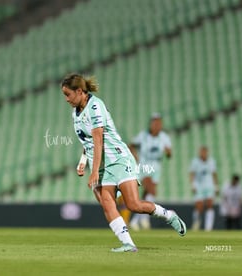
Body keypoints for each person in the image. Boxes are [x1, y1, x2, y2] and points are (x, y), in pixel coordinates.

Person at [62, 73, 186, 252]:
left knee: (133, 205)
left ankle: (168, 215)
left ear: (79, 91)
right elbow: (87, 142)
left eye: (68, 94)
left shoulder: (95, 106)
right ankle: (128, 243)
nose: (66, 99)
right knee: (106, 203)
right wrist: (83, 161)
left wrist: (94, 171)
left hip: (119, 159)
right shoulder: (76, 114)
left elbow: (99, 140)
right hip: (103, 164)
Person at [128, 113, 172, 230]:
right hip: (144, 166)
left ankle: (135, 221)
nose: (157, 125)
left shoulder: (164, 137)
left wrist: (168, 152)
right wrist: (135, 156)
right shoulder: (143, 135)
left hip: (157, 167)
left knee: (147, 194)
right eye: (155, 123)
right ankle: (145, 220)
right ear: (151, 124)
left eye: (159, 123)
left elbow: (169, 154)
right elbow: (131, 145)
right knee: (151, 190)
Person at [189, 146, 218, 231]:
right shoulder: (195, 162)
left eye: (204, 152)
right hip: (199, 186)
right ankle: (196, 222)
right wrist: (193, 185)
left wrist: (216, 186)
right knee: (199, 207)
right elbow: (191, 174)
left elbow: (214, 174)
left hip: (209, 186)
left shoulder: (211, 161)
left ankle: (208, 228)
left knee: (210, 205)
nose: (203, 154)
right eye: (201, 152)